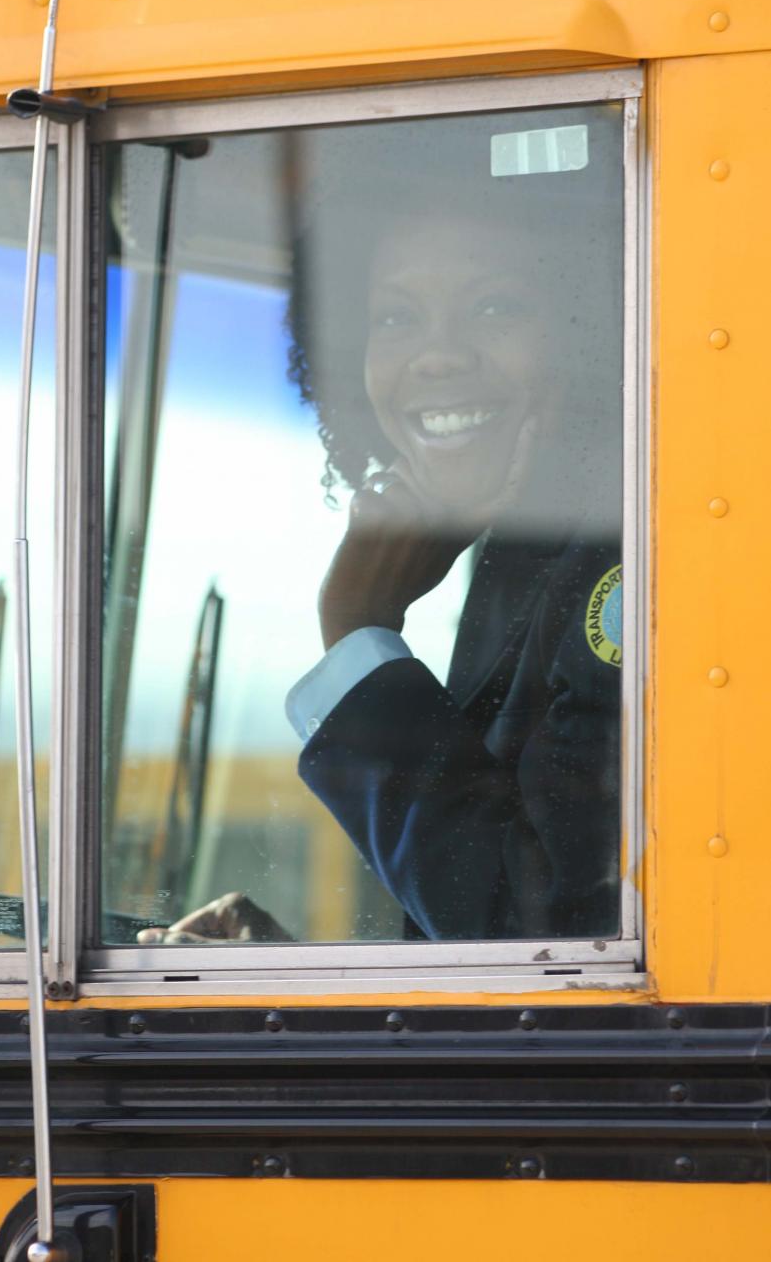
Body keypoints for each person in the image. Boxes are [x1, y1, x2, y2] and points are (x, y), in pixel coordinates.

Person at [139, 104, 624, 946]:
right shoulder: (525, 549)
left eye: (495, 308)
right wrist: (288, 973)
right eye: (394, 318)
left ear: (585, 332)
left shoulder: (621, 561)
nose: (436, 356)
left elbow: (543, 942)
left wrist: (357, 630)